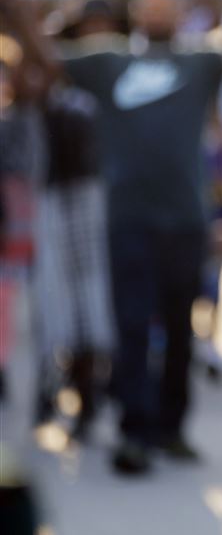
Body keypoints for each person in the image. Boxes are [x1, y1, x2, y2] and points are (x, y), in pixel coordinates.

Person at [6, 0, 222, 474]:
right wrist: (17, 4)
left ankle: (171, 429)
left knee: (179, 328)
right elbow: (47, 57)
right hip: (127, 218)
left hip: (186, 221)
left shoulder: (201, 61)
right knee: (131, 326)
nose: (159, 5)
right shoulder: (106, 61)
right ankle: (135, 432)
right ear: (137, 9)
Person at [0, 25, 115, 443]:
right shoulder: (12, 122)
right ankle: (41, 400)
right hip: (24, 239)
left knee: (85, 316)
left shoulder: (77, 109)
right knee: (38, 323)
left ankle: (87, 397)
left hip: (75, 226)